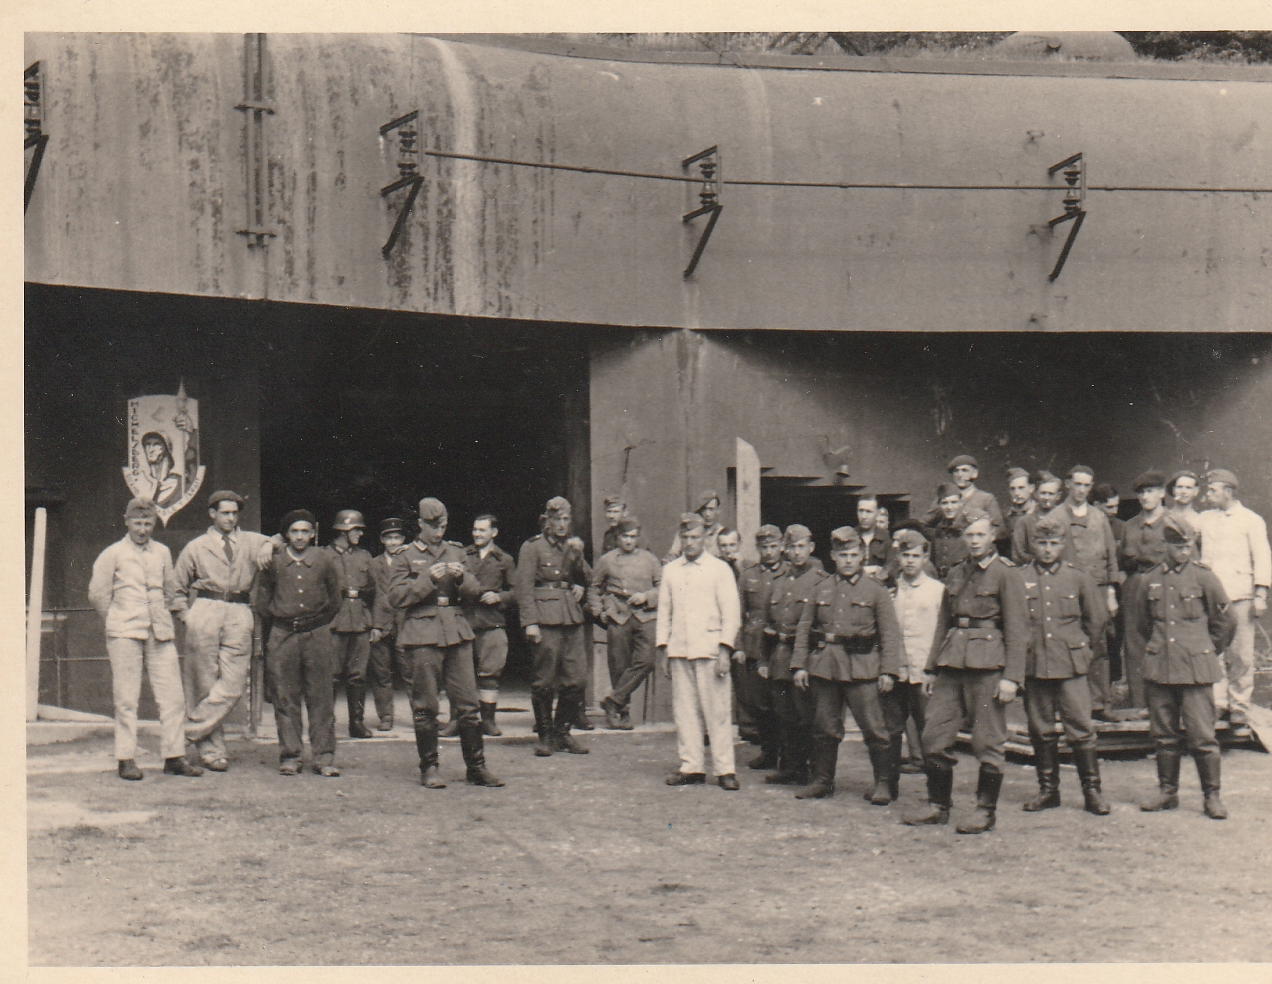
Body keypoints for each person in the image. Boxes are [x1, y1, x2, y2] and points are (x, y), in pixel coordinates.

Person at [905, 509, 1027, 835]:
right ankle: (938, 806)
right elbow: (944, 623)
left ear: (992, 536)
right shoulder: (957, 572)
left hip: (988, 667)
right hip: (951, 665)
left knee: (988, 741)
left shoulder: (1006, 573)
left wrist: (1012, 677)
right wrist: (931, 667)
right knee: (933, 735)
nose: (973, 541)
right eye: (969, 535)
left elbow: (1018, 629)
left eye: (980, 535)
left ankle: (985, 811)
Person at [390, 497, 503, 788]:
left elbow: (476, 591)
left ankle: (476, 767)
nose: (438, 531)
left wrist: (462, 577)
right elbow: (397, 598)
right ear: (420, 524)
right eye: (432, 525)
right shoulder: (405, 556)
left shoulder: (456, 551)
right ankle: (430, 768)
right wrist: (426, 579)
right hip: (422, 632)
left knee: (468, 703)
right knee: (426, 705)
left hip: (456, 631)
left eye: (442, 525)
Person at [88, 498, 203, 780]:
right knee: (127, 699)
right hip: (124, 633)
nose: (142, 529)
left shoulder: (162, 552)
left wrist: (161, 615)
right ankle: (126, 758)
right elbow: (98, 594)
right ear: (126, 521)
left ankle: (174, 756)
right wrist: (117, 621)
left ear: (154, 523)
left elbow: (170, 589)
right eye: (137, 523)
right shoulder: (112, 554)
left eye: (148, 523)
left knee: (173, 698)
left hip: (159, 631)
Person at [792, 527, 901, 802]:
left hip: (863, 667)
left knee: (874, 728)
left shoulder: (876, 590)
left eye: (853, 555)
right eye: (843, 555)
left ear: (862, 556)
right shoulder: (821, 588)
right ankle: (822, 781)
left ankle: (884, 784)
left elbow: (889, 633)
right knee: (825, 726)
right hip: (825, 666)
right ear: (833, 557)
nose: (849, 560)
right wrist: (800, 665)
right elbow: (805, 628)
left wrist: (888, 670)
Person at [173, 489, 277, 771]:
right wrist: (187, 617)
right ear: (212, 514)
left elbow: (279, 539)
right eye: (225, 513)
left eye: (235, 513)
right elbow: (176, 588)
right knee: (204, 683)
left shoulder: (251, 541)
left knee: (233, 684)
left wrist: (269, 545)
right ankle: (212, 752)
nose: (231, 518)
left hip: (239, 611)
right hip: (206, 609)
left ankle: (183, 734)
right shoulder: (196, 547)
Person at [1139, 513, 1235, 819]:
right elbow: (1143, 624)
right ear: (1166, 545)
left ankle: (1212, 796)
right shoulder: (1149, 579)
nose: (1185, 551)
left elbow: (1225, 621)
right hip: (1161, 668)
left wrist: (1206, 650)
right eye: (1178, 546)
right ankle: (1167, 792)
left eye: (1189, 545)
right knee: (1163, 735)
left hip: (1195, 670)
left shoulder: (1205, 577)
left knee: (1202, 736)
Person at [1019, 514, 1110, 815]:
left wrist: (1081, 652)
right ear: (1033, 545)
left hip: (1070, 665)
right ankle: (1048, 791)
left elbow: (1096, 621)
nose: (1047, 549)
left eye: (1054, 543)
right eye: (1042, 543)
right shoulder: (1018, 578)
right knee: (1041, 729)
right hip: (1034, 664)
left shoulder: (1078, 578)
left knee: (1081, 729)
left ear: (1062, 545)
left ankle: (1092, 792)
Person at [657, 513, 742, 789]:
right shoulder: (671, 570)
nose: (690, 543)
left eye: (695, 537)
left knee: (717, 712)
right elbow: (664, 613)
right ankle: (691, 767)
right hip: (680, 649)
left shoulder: (719, 569)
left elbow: (731, 613)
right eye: (685, 538)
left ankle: (725, 769)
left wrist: (725, 649)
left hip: (710, 651)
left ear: (705, 538)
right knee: (685, 712)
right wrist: (663, 649)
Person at [255, 510, 342, 776]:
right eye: (294, 531)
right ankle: (290, 755)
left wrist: (315, 622)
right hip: (284, 636)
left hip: (317, 635)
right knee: (285, 696)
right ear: (286, 535)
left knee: (321, 697)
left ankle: (324, 757)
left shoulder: (325, 560)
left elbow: (335, 600)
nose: (300, 536)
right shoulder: (275, 561)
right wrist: (282, 621)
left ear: (313, 533)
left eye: (305, 531)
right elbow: (262, 601)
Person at [515, 496, 593, 757]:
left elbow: (588, 578)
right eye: (557, 519)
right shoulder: (532, 547)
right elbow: (523, 588)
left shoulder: (572, 546)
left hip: (570, 616)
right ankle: (546, 735)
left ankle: (563, 731)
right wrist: (529, 623)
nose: (562, 524)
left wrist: (578, 558)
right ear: (546, 521)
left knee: (577, 679)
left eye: (566, 519)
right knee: (544, 680)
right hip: (544, 618)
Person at [1194, 469, 1271, 729]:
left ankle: (1239, 704)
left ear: (1228, 491)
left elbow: (1262, 558)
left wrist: (1261, 594)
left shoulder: (1251, 520)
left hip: (1240, 596)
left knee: (1241, 654)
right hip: (1211, 597)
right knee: (1214, 651)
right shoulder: (1204, 519)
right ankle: (1218, 703)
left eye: (1213, 490)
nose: (1208, 495)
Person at [759, 525, 827, 785]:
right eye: (792, 548)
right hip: (780, 657)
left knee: (806, 716)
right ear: (785, 550)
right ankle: (790, 766)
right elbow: (767, 625)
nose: (797, 553)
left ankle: (812, 769)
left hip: (807, 658)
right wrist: (764, 659)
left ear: (811, 548)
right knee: (784, 715)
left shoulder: (820, 581)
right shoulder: (778, 582)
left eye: (802, 547)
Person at [1055, 466, 1120, 719]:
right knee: (1068, 643)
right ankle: (1069, 706)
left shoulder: (1098, 517)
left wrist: (1112, 591)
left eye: (1086, 485)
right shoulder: (1055, 516)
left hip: (1098, 588)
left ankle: (1098, 704)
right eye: (1077, 484)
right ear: (1068, 484)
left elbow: (1110, 556)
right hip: (1067, 590)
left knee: (1099, 644)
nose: (1081, 490)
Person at [886, 528, 945, 792]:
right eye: (905, 555)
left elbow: (943, 632)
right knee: (891, 729)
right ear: (898, 557)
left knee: (930, 731)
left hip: (924, 673)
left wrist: (935, 669)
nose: (910, 561)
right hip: (896, 671)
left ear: (925, 558)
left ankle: (937, 791)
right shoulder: (888, 590)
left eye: (915, 556)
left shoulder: (937, 591)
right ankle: (888, 785)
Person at [591, 515, 661, 730]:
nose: (629, 541)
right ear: (617, 537)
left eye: (632, 537)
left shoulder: (650, 560)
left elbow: (663, 587)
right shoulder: (607, 560)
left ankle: (613, 700)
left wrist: (647, 597)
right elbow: (594, 588)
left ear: (638, 538)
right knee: (618, 664)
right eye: (624, 537)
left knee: (647, 661)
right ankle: (622, 712)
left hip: (644, 615)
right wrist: (598, 611)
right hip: (618, 615)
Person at [459, 514, 518, 737]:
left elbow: (517, 591)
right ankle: (459, 718)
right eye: (475, 530)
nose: (476, 534)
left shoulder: (504, 559)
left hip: (492, 622)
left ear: (494, 532)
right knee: (460, 674)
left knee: (490, 673)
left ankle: (488, 719)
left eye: (482, 530)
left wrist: (499, 598)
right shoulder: (463, 555)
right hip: (464, 621)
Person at [734, 525, 787, 771]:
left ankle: (788, 754)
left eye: (773, 546)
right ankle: (768, 751)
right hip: (755, 647)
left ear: (781, 546)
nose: (769, 552)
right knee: (759, 703)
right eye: (764, 547)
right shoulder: (747, 575)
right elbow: (737, 614)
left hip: (781, 648)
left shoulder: (790, 573)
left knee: (783, 703)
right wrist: (738, 647)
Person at [1118, 472, 1170, 711]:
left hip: (1165, 587)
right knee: (1134, 644)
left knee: (1164, 641)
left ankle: (1166, 705)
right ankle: (1140, 705)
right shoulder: (1129, 526)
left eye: (1150, 491)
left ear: (1161, 493)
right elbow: (1120, 563)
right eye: (1141, 493)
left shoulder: (1174, 522)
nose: (1145, 497)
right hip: (1135, 586)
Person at [326, 509, 375, 739]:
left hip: (360, 622)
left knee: (358, 675)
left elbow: (376, 591)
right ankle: (327, 724)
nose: (360, 534)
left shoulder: (364, 557)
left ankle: (357, 723)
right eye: (356, 530)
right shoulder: (324, 556)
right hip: (333, 623)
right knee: (331, 675)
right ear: (343, 531)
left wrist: (376, 624)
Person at [368, 517, 410, 731]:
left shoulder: (411, 560)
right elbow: (369, 595)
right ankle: (385, 716)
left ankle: (422, 716)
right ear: (382, 540)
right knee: (381, 673)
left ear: (403, 539)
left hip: (406, 624)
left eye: (397, 538)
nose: (393, 542)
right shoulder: (373, 564)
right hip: (380, 625)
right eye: (389, 538)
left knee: (411, 672)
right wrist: (374, 624)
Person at [923, 454, 1004, 536]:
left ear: (974, 473)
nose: (960, 475)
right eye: (956, 471)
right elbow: (923, 523)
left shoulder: (986, 499)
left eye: (964, 470)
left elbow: (1000, 530)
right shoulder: (944, 498)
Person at [1011, 471, 1066, 565]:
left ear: (1058, 496)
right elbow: (1018, 554)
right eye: (1043, 493)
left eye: (1051, 494)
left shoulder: (1065, 520)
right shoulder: (1024, 522)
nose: (1046, 498)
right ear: (1035, 494)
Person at [664, 489, 726, 562]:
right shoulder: (687, 531)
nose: (707, 514)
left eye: (711, 509)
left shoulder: (722, 533)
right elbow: (673, 554)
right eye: (704, 509)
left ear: (718, 511)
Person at [930, 483, 969, 580]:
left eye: (954, 502)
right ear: (939, 504)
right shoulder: (938, 529)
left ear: (961, 503)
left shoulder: (969, 528)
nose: (949, 507)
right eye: (945, 503)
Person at [1001, 467, 1037, 557]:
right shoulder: (1005, 515)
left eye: (1021, 488)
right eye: (1012, 489)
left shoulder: (1040, 513)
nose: (1017, 493)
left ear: (1031, 488)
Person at [856, 494, 892, 575]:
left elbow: (891, 566)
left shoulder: (885, 537)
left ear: (877, 513)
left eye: (869, 511)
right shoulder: (851, 535)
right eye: (861, 511)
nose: (864, 516)